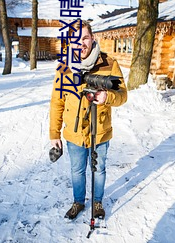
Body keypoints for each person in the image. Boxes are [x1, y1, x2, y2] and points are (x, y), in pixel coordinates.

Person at [49, 20, 127, 220]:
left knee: (99, 169)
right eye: (76, 39)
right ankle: (78, 202)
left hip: (100, 130)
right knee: (77, 170)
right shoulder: (64, 67)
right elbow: (57, 102)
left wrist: (107, 97)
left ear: (92, 38)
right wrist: (54, 134)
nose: (81, 43)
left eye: (85, 38)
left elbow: (123, 95)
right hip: (74, 133)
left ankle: (98, 202)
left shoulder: (109, 64)